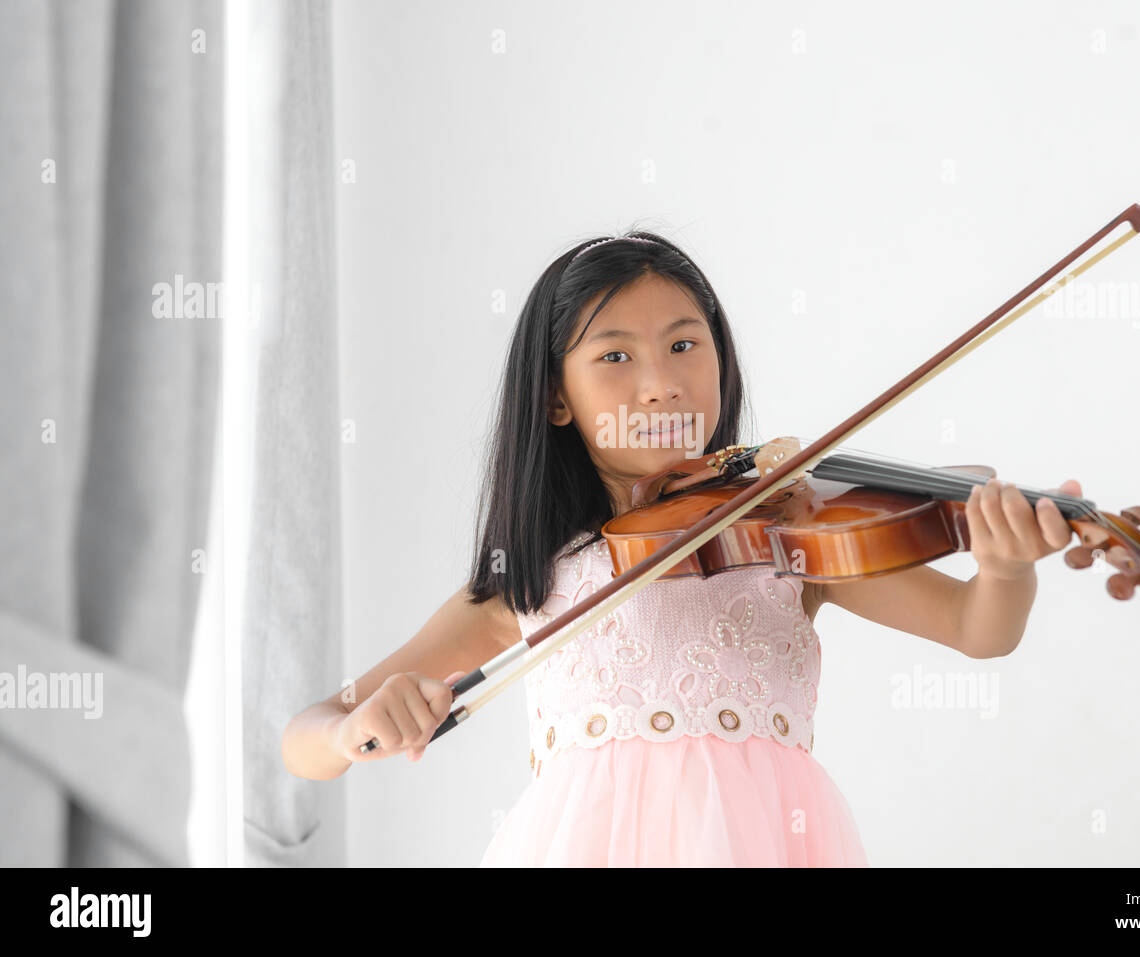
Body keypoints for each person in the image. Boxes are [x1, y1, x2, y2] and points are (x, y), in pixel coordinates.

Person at [281, 230, 1082, 866]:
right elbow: (308, 737)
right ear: (556, 397)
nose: (660, 382)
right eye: (616, 355)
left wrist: (1004, 567)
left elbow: (980, 628)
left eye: (685, 345)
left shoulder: (786, 536)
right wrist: (351, 731)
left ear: (722, 362)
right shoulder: (530, 580)